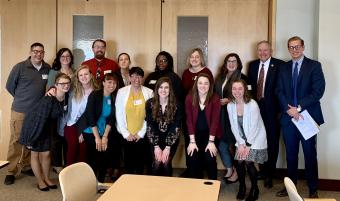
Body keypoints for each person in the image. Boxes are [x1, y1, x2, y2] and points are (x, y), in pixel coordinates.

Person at [275, 36, 325, 198]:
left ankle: (313, 189)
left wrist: (298, 107)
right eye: (291, 47)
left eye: (297, 47)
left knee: (310, 154)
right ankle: (291, 187)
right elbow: (279, 91)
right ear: (288, 49)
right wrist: (288, 109)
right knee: (290, 154)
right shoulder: (283, 67)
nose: (294, 50)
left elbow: (318, 91)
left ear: (303, 47)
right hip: (288, 118)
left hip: (307, 117)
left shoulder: (314, 66)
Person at [4, 42, 50, 185]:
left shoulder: (47, 68)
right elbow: (10, 86)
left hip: (37, 113)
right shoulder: (20, 67)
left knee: (31, 140)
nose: (38, 54)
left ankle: (25, 166)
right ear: (30, 52)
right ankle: (11, 171)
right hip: (20, 111)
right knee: (16, 141)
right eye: (35, 51)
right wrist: (23, 99)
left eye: (41, 52)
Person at [19, 73, 71, 191]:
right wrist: (31, 139)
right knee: (35, 153)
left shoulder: (66, 96)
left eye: (67, 83)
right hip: (35, 126)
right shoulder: (49, 98)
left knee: (46, 154)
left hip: (47, 127)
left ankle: (46, 178)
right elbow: (39, 119)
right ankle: (40, 181)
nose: (66, 85)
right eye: (62, 83)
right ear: (56, 85)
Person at [247, 41, 285, 188]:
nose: (263, 53)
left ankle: (270, 173)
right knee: (258, 141)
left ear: (271, 51)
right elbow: (250, 87)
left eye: (266, 50)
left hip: (273, 111)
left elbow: (283, 89)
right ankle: (262, 170)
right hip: (256, 110)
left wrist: (281, 110)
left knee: (272, 142)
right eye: (260, 50)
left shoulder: (280, 65)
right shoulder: (253, 65)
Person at [227, 79, 268, 201]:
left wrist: (248, 145)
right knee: (239, 162)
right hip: (241, 139)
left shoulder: (252, 104)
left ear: (245, 89)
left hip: (255, 138)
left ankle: (255, 188)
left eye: (240, 88)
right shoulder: (230, 105)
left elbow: (255, 127)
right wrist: (240, 143)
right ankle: (242, 186)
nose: (237, 91)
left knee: (249, 162)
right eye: (234, 88)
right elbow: (233, 126)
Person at [214, 53, 249, 183]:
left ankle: (238, 172)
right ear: (225, 63)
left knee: (233, 145)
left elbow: (247, 97)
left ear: (238, 63)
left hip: (235, 116)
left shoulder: (243, 78)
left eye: (234, 61)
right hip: (221, 116)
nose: (231, 63)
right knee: (222, 145)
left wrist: (230, 100)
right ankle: (230, 168)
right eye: (229, 61)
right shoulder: (221, 77)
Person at [80, 73, 120, 182]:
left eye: (114, 83)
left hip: (104, 130)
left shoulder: (113, 97)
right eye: (109, 82)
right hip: (91, 130)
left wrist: (105, 136)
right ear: (103, 83)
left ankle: (101, 182)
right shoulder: (95, 95)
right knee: (93, 158)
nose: (112, 85)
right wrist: (97, 137)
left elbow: (111, 118)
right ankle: (91, 182)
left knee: (104, 156)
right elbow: (90, 116)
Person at [181, 48, 214, 177]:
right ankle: (191, 168)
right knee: (190, 140)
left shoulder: (206, 72)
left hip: (202, 112)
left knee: (201, 141)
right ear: (189, 59)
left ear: (201, 59)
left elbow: (211, 92)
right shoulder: (185, 73)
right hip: (188, 111)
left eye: (197, 57)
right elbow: (183, 92)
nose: (194, 59)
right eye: (192, 57)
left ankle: (200, 169)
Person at [116, 67, 153, 174]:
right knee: (128, 164)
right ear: (129, 77)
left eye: (139, 76)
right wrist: (126, 134)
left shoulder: (149, 92)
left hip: (142, 135)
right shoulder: (121, 92)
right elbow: (119, 114)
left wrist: (140, 133)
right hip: (126, 135)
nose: (137, 79)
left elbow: (150, 116)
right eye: (134, 76)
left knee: (141, 164)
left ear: (142, 78)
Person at [185, 73, 221, 180]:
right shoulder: (190, 97)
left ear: (210, 85)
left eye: (206, 83)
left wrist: (211, 142)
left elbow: (215, 121)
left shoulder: (215, 98)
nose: (203, 86)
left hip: (210, 134)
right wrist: (192, 141)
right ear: (196, 84)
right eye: (200, 83)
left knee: (210, 158)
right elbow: (189, 121)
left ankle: (213, 185)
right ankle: (195, 185)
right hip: (194, 134)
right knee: (192, 157)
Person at [63, 65, 99, 166]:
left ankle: (81, 175)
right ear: (78, 78)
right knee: (73, 145)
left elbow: (92, 114)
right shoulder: (73, 90)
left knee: (83, 147)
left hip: (86, 125)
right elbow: (60, 87)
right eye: (81, 75)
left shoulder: (97, 92)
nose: (84, 77)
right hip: (71, 123)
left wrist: (81, 130)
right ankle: (68, 174)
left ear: (91, 75)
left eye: (86, 74)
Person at [146, 77, 181, 176]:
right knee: (157, 162)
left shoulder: (177, 104)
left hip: (171, 138)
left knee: (165, 162)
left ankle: (168, 188)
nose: (163, 90)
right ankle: (154, 188)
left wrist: (168, 147)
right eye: (161, 87)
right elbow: (150, 125)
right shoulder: (150, 103)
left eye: (166, 88)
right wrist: (156, 146)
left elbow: (176, 126)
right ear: (157, 89)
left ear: (170, 90)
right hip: (154, 138)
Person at [48, 48, 75, 173]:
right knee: (56, 138)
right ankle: (57, 165)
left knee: (67, 138)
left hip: (71, 109)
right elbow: (49, 90)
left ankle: (67, 164)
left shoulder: (75, 72)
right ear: (59, 58)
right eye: (63, 56)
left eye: (68, 56)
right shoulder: (54, 72)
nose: (65, 58)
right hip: (56, 108)